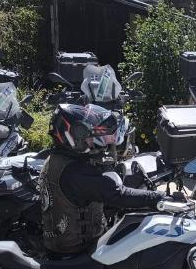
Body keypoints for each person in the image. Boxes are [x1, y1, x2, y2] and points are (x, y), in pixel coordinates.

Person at [39, 104, 164, 255]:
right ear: (74, 136)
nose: (94, 143)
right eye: (89, 138)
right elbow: (119, 195)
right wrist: (159, 197)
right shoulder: (76, 172)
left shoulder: (55, 159)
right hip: (79, 251)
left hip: (59, 245)